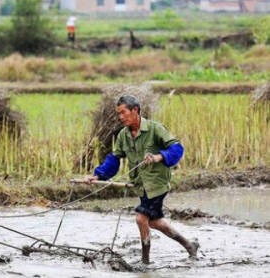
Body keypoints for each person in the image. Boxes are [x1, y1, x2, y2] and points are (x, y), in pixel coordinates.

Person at [83, 95, 199, 264]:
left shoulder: (154, 129)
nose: (120, 117)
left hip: (156, 184)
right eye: (118, 114)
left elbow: (177, 148)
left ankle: (145, 261)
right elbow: (115, 158)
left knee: (141, 219)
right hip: (141, 185)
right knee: (154, 222)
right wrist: (97, 175)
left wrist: (159, 157)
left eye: (123, 112)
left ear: (135, 110)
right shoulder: (124, 135)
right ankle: (189, 246)